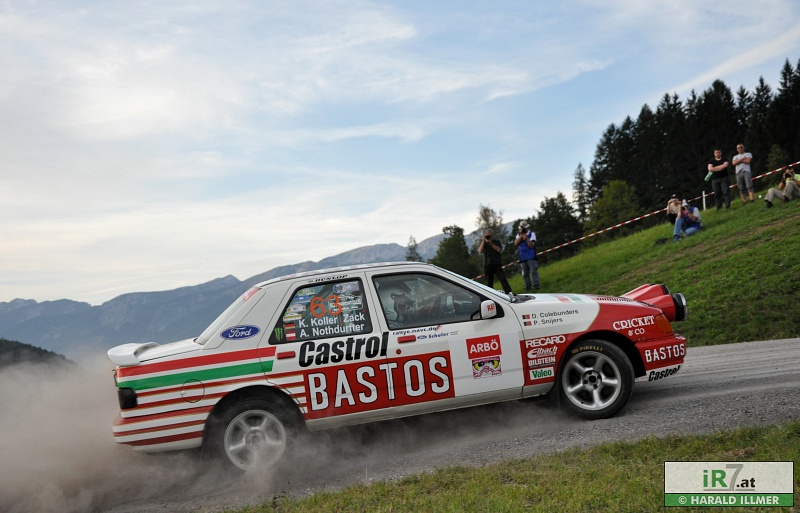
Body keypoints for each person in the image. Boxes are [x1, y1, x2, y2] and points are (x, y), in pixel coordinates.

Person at [478, 229, 512, 294]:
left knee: (502, 279)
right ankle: (490, 295)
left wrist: (491, 243)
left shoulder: (496, 241)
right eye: (487, 235)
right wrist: (483, 241)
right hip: (487, 264)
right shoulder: (484, 243)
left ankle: (509, 292)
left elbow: (498, 249)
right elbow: (479, 251)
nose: (489, 236)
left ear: (492, 235)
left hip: (496, 264)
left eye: (490, 235)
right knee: (489, 282)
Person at [514, 221, 539, 291]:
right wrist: (521, 236)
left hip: (531, 256)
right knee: (525, 273)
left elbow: (532, 245)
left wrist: (526, 239)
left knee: (533, 271)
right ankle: (527, 286)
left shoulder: (532, 234)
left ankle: (536, 286)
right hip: (522, 257)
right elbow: (516, 243)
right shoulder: (519, 235)